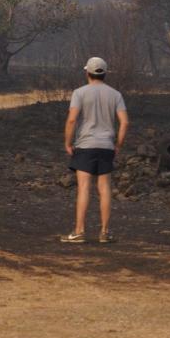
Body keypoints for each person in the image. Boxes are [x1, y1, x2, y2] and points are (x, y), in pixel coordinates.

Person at [62, 56, 128, 243]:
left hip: (85, 145)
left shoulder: (79, 93)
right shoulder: (115, 95)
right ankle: (105, 232)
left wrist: (68, 142)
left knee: (84, 187)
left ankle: (79, 232)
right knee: (105, 188)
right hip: (106, 146)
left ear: (87, 72)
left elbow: (72, 119)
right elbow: (124, 123)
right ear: (105, 73)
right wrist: (118, 145)